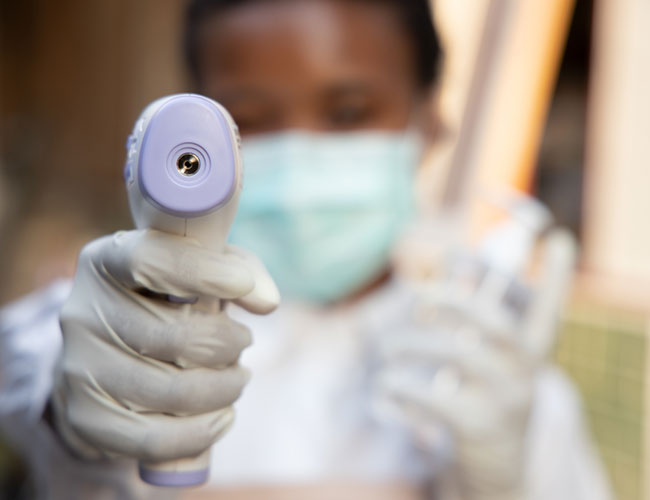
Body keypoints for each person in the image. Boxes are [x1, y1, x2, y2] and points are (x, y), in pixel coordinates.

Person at [0, 1, 612, 499]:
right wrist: (68, 411)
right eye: (248, 118)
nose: (297, 161)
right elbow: (30, 371)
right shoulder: (112, 331)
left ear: (429, 124)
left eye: (348, 112)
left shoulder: (503, 394)